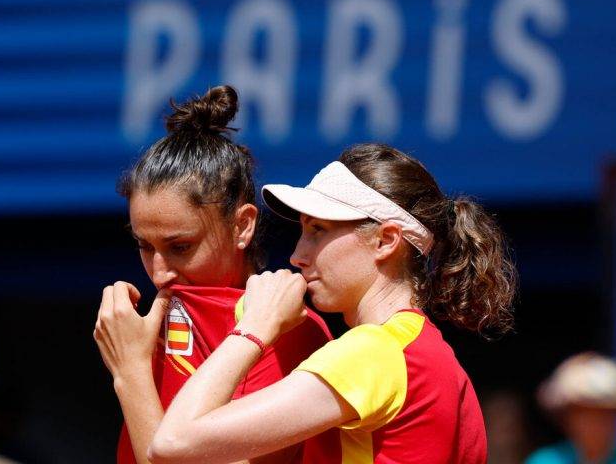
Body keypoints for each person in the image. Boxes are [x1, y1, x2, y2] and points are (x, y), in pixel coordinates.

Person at [149, 143, 518, 464]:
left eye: (317, 231)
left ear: (386, 240)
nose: (297, 255)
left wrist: (254, 328)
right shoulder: (438, 360)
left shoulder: (372, 352)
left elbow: (172, 441)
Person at [92, 85, 334, 464]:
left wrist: (130, 373)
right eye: (144, 245)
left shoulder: (294, 334)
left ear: (242, 226)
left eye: (180, 247)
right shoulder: (144, 326)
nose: (159, 274)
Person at [526, 352, 616, 464]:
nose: (596, 423)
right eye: (586, 414)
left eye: (605, 414)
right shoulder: (546, 461)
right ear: (566, 417)